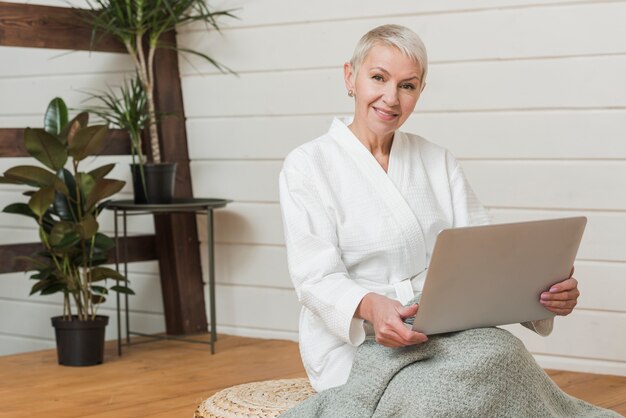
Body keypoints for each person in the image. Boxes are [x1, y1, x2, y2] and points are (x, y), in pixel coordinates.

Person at [279, 25, 614, 417]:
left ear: (420, 92)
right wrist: (371, 307)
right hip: (362, 342)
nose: (391, 97)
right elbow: (314, 278)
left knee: (505, 352)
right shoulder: (307, 165)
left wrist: (542, 295)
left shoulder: (437, 160)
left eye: (408, 85)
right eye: (378, 78)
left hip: (442, 328)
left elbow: (486, 259)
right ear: (350, 77)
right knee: (436, 397)